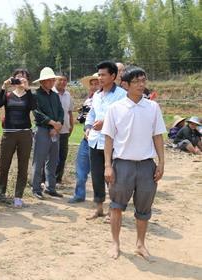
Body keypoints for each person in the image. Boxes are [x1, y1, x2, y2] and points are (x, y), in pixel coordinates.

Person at [102, 66, 166, 260]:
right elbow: (109, 139)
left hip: (147, 165)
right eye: (136, 81)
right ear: (125, 84)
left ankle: (140, 244)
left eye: (143, 80)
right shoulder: (115, 108)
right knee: (116, 206)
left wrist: (161, 162)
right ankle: (115, 243)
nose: (141, 84)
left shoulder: (152, 107)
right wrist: (107, 165)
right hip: (123, 165)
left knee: (144, 209)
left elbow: (158, 136)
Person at [85, 61, 127, 219]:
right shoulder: (96, 95)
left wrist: (106, 123)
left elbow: (124, 118)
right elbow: (92, 114)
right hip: (94, 141)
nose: (100, 78)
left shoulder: (122, 95)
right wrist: (88, 127)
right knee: (96, 176)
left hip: (113, 143)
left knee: (112, 177)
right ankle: (99, 208)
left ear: (113, 76)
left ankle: (113, 209)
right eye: (99, 75)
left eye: (103, 75)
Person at [0, 69, 36, 208]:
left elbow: (34, 106)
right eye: (17, 78)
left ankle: (18, 197)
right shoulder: (8, 95)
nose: (20, 80)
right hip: (9, 133)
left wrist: (28, 89)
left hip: (25, 134)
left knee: (23, 166)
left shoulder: (29, 95)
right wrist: (3, 87)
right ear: (13, 80)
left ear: (27, 80)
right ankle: (1, 193)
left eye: (23, 78)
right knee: (4, 164)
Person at [31, 67, 64, 199]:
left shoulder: (55, 95)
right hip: (42, 130)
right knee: (39, 160)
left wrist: (58, 125)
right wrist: (52, 123)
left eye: (52, 80)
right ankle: (36, 188)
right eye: (48, 80)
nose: (51, 82)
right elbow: (37, 113)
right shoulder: (35, 95)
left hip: (55, 131)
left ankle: (51, 187)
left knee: (53, 160)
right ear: (42, 82)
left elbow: (61, 112)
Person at [68, 73, 100, 203]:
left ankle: (100, 199)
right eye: (92, 84)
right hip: (86, 138)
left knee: (99, 173)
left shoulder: (108, 100)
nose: (93, 86)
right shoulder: (88, 100)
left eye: (96, 83)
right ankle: (79, 195)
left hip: (100, 140)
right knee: (81, 170)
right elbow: (82, 119)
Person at [53, 73, 74, 184]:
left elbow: (69, 112)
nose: (62, 82)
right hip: (52, 130)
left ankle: (58, 180)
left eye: (65, 80)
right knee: (51, 156)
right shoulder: (51, 93)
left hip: (65, 130)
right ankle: (45, 179)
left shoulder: (68, 95)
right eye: (60, 80)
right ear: (55, 81)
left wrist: (71, 126)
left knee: (62, 156)